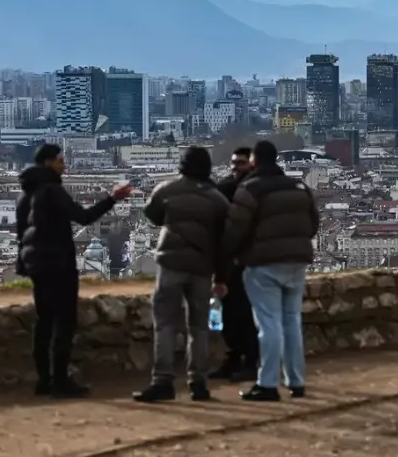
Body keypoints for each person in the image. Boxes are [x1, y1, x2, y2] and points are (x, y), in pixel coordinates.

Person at [16, 144, 132, 398]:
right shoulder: (53, 191)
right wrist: (113, 199)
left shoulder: (26, 194)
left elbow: (21, 234)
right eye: (59, 160)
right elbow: (83, 217)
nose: (63, 164)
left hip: (37, 265)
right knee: (65, 322)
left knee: (44, 321)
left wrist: (23, 263)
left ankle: (44, 380)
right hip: (59, 263)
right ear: (48, 163)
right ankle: (61, 382)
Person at [223, 141, 320, 402]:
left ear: (254, 162)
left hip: (263, 263)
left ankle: (267, 383)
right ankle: (296, 380)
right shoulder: (299, 186)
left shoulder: (250, 189)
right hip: (296, 262)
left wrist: (230, 256)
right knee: (292, 321)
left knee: (268, 324)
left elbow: (235, 229)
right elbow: (313, 225)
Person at [133, 147, 231, 403]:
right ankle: (198, 383)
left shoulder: (167, 190)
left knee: (165, 323)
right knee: (198, 327)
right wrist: (221, 277)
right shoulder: (217, 199)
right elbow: (224, 242)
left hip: (171, 263)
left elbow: (152, 215)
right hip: (201, 267)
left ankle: (162, 381)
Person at [210, 147, 260, 382]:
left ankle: (250, 361)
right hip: (232, 261)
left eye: (240, 163)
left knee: (245, 315)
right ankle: (234, 359)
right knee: (232, 314)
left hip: (248, 261)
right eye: (233, 162)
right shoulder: (227, 188)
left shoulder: (248, 190)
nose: (234, 167)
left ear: (250, 164)